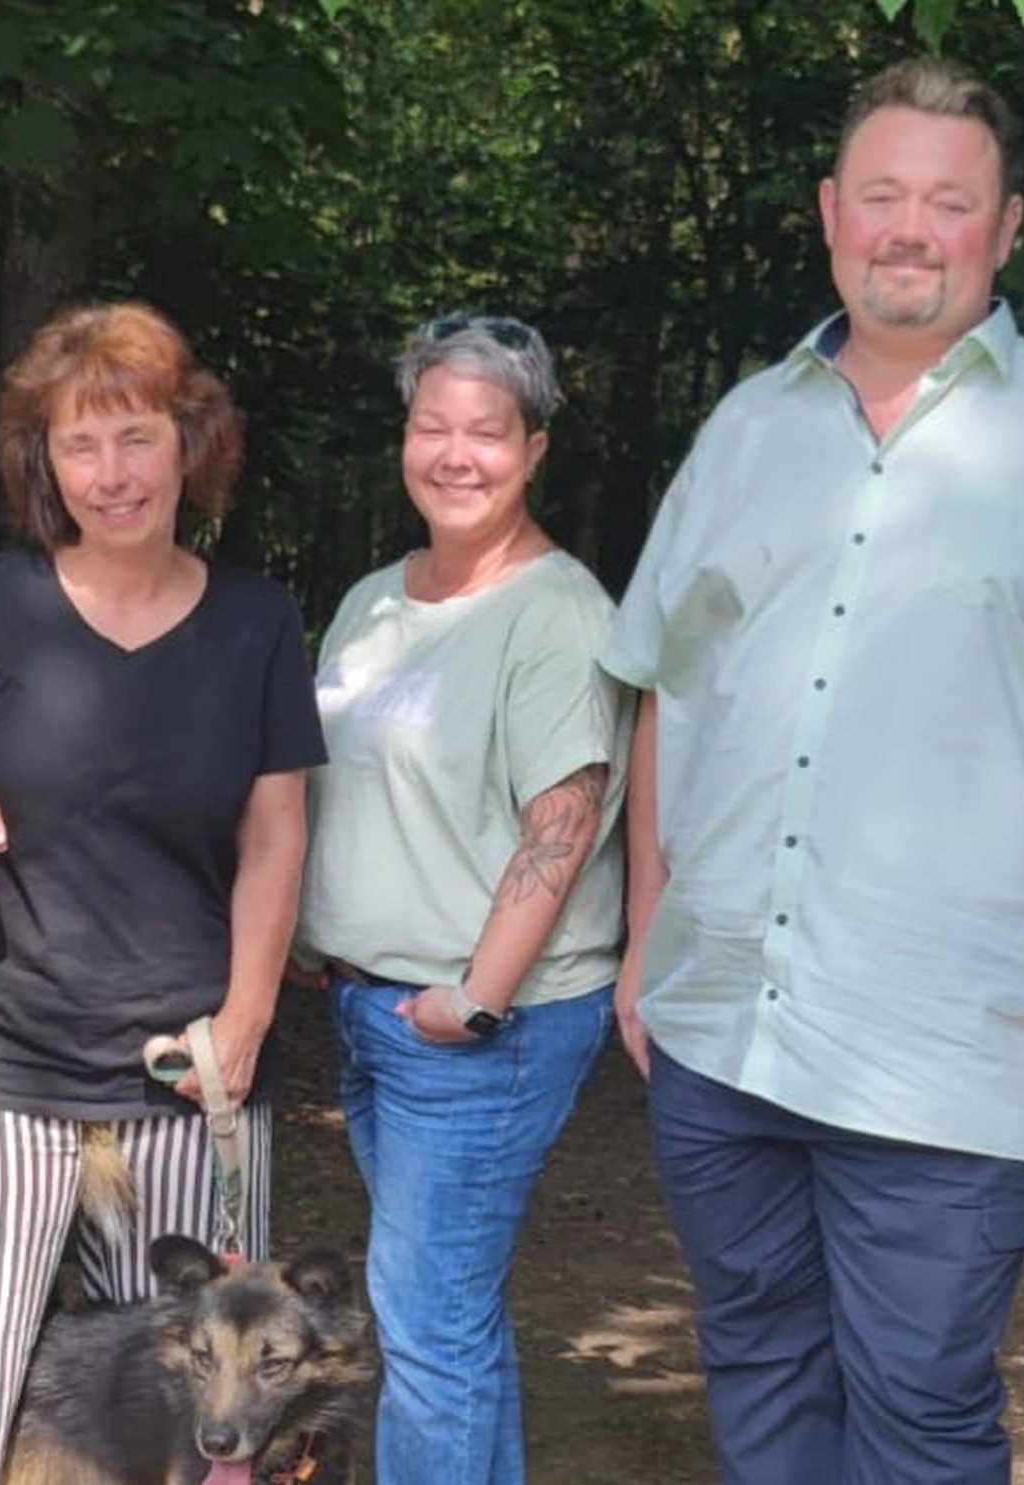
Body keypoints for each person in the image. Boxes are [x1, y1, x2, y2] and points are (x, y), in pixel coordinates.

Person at [602, 56, 1024, 1485]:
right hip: (722, 1032)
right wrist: (647, 927)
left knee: (920, 1416)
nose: (911, 226)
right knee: (761, 1376)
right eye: (883, 194)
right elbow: (669, 691)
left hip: (953, 1052)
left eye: (948, 202)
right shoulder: (744, 429)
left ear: (1006, 229)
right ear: (834, 212)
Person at [0, 301, 326, 1485]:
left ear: (190, 443)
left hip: (191, 1060)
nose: (111, 474)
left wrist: (249, 1018)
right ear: (43, 463)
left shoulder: (256, 621)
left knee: (201, 1400)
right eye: (80, 444)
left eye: (136, 438)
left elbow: (276, 830)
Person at [295, 312, 629, 1485]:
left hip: (481, 1025)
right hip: (376, 1009)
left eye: (486, 431)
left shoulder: (556, 611)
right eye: (431, 424)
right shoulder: (374, 600)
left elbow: (566, 820)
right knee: (449, 1322)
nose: (455, 452)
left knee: (428, 1328)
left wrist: (475, 1001)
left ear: (534, 447)